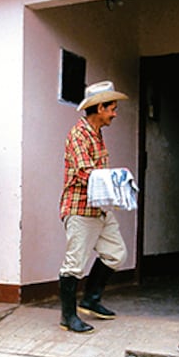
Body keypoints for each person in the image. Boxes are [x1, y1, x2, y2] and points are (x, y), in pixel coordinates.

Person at [58, 81, 129, 333]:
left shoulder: (96, 133)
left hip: (99, 208)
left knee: (116, 253)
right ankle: (68, 316)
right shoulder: (79, 134)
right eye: (112, 108)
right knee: (74, 263)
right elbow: (84, 172)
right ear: (100, 108)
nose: (114, 113)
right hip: (80, 208)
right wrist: (117, 183)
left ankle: (91, 300)